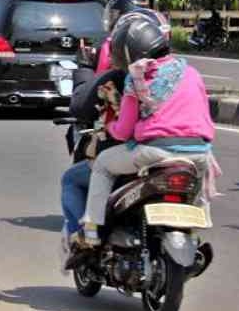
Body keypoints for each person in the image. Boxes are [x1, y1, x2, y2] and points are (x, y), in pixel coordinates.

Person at [80, 18, 220, 246]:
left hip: (156, 152)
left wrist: (109, 127)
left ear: (130, 52)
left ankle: (92, 229)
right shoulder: (191, 72)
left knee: (103, 164)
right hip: (199, 153)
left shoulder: (137, 77)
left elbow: (124, 132)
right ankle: (191, 235)